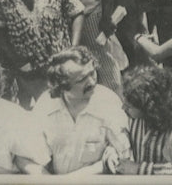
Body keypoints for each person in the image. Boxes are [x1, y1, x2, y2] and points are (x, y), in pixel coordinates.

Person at [33, 47, 132, 175]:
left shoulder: (109, 101)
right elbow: (34, 159)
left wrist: (69, 181)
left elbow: (121, 154)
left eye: (92, 73)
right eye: (81, 80)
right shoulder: (45, 105)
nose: (91, 82)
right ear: (62, 85)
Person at [115, 65, 172, 174]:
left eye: (129, 106)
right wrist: (112, 154)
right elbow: (121, 137)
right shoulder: (134, 119)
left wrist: (139, 169)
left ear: (148, 108)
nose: (123, 108)